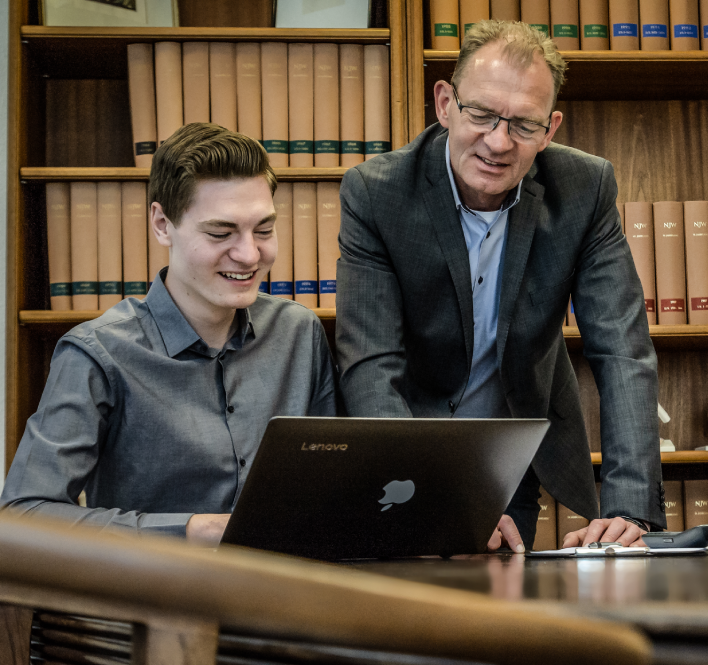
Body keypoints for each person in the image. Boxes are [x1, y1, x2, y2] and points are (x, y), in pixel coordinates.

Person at [336, 20, 666, 551]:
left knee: (502, 618)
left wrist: (630, 507)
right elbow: (372, 364)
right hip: (403, 460)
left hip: (507, 459)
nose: (498, 142)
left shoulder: (585, 189)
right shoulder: (377, 195)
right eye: (482, 114)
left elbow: (622, 349)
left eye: (523, 125)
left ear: (551, 129)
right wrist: (433, 496)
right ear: (445, 103)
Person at [0, 123, 337, 545]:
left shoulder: (298, 332)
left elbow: (332, 484)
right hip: (154, 601)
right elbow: (23, 515)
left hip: (282, 599)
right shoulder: (96, 354)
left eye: (264, 230)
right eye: (221, 232)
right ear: (162, 224)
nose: (250, 254)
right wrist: (193, 530)